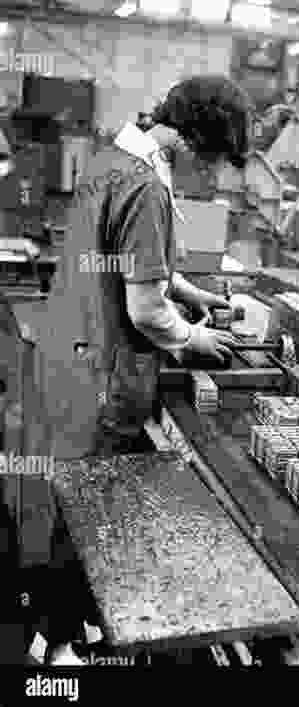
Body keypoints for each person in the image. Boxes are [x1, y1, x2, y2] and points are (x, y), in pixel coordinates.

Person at [30, 76, 255, 663]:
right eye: (208, 166)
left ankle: (61, 629)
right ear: (191, 142)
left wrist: (186, 288)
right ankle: (65, 646)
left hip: (68, 354)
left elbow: (131, 261)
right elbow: (146, 309)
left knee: (67, 495)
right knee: (90, 510)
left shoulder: (115, 157)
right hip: (103, 372)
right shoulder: (148, 187)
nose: (205, 179)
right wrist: (192, 337)